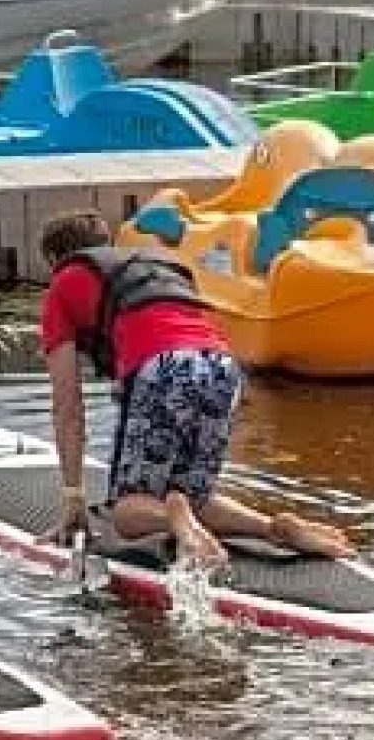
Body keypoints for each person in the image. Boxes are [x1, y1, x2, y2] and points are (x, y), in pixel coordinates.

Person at [38, 211, 353, 568]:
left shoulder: (63, 284)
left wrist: (73, 498)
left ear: (54, 261)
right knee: (195, 496)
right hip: (221, 366)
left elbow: (68, 406)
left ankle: (175, 520)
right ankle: (272, 528)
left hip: (162, 365)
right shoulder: (156, 266)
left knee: (127, 513)